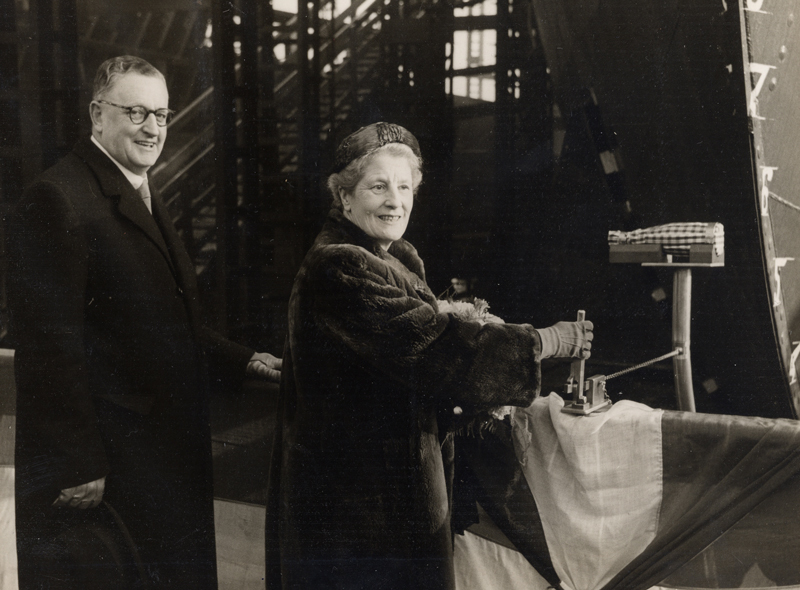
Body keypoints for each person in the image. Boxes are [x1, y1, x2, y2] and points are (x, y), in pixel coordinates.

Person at [265, 122, 593, 590]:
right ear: (344, 197)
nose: (394, 201)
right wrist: (544, 341)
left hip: (384, 497)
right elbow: (433, 349)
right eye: (378, 187)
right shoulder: (340, 264)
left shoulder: (393, 257)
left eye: (404, 187)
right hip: (357, 509)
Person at [7, 55, 281, 590]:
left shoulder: (132, 189)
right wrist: (78, 463)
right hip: (107, 469)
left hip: (150, 457)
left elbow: (163, 321)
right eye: (136, 112)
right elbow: (48, 349)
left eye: (161, 115)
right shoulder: (58, 198)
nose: (152, 128)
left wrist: (245, 359)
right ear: (97, 114)